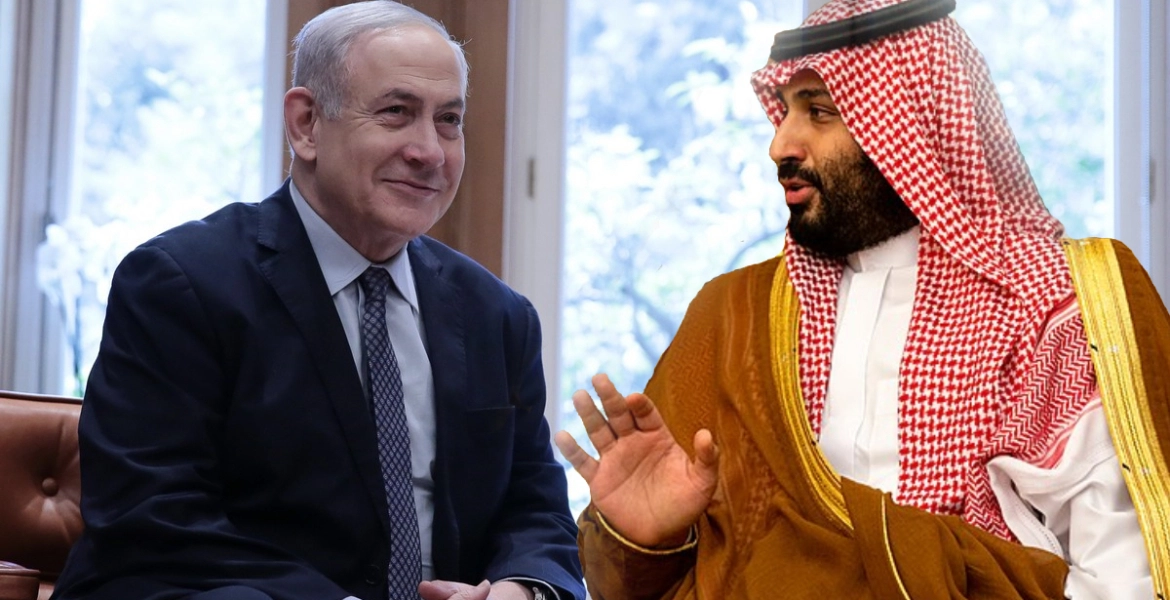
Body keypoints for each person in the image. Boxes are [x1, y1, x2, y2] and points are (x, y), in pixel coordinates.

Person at [555, 0, 1170, 598]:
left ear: (913, 122)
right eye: (783, 112)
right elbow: (642, 583)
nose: (781, 145)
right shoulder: (734, 316)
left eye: (819, 112)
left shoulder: (1052, 302)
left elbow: (1123, 574)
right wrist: (645, 539)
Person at [49, 3, 583, 600]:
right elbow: (153, 521)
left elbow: (536, 510)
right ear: (306, 124)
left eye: (449, 120)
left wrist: (523, 591)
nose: (430, 151)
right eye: (396, 112)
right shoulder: (180, 285)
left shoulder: (497, 316)